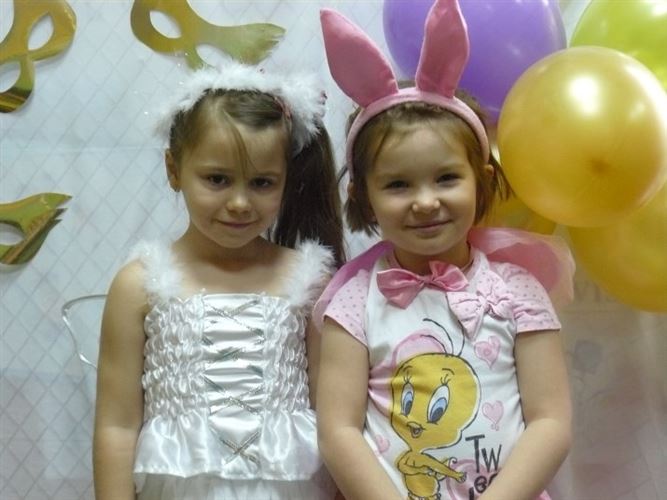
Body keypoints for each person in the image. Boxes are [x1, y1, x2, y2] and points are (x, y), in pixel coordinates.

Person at [315, 1, 573, 499]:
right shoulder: (353, 304)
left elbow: (551, 422)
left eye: (447, 178)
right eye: (398, 184)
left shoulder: (518, 291)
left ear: (483, 181)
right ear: (361, 196)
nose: (425, 201)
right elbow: (338, 431)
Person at [93, 60, 343, 500]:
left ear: (286, 180)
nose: (240, 202)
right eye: (217, 179)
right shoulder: (140, 284)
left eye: (262, 182)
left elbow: (337, 417)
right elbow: (117, 425)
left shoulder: (309, 280)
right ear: (174, 170)